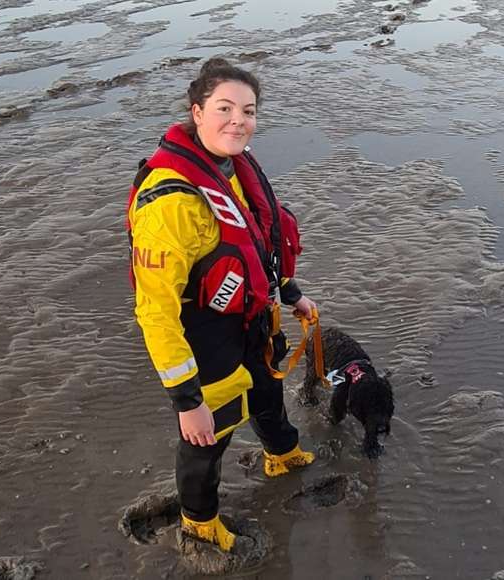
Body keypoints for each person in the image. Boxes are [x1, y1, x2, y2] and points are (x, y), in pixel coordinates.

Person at [126, 57, 317, 552]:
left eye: (249, 111)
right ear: (196, 111)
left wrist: (290, 292)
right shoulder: (169, 201)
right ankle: (199, 520)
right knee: (210, 433)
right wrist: (187, 401)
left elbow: (260, 239)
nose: (239, 120)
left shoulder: (235, 164)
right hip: (205, 334)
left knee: (269, 388)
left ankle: (281, 451)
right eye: (225, 108)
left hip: (251, 316)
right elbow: (154, 310)